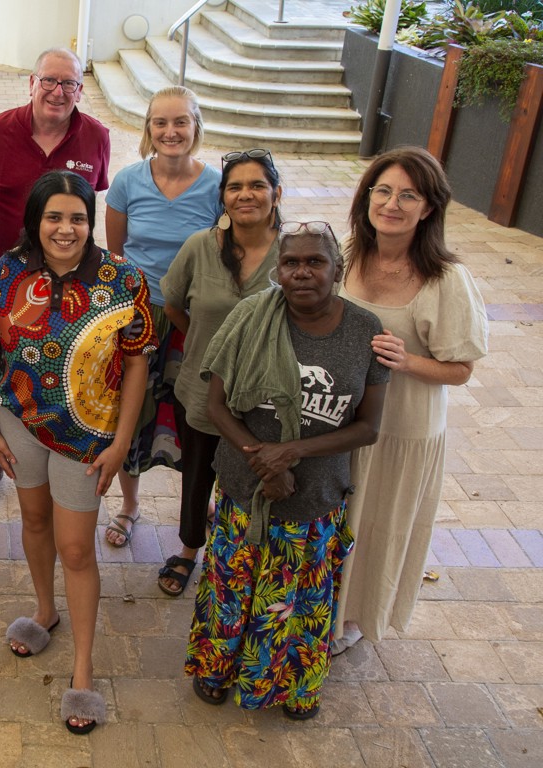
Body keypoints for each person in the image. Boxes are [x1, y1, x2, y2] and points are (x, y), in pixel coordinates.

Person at [185, 220, 388, 720]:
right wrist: (264, 459)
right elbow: (216, 406)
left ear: (337, 270)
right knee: (232, 587)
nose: (302, 272)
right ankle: (217, 669)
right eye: (291, 262)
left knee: (298, 602)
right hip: (243, 485)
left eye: (315, 262)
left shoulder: (365, 331)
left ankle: (294, 686)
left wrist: (291, 452)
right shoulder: (253, 317)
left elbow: (367, 428)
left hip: (315, 496)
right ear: (278, 269)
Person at [0, 171, 156, 734]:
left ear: (92, 220)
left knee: (77, 549)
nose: (66, 229)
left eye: (78, 217)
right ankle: (44, 611)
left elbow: (136, 363)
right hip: (19, 421)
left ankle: (83, 672)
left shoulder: (121, 279)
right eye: (54, 217)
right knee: (33, 521)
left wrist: (123, 443)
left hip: (90, 437)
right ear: (35, 220)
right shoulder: (8, 269)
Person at [333, 147, 488, 653]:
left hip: (402, 431)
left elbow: (461, 369)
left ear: (428, 208)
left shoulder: (446, 279)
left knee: (381, 526)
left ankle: (354, 619)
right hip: (343, 423)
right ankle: (323, 608)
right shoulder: (349, 254)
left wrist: (406, 360)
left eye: (408, 195)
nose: (392, 203)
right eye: (383, 190)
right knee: (339, 520)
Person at [0, 46, 111, 507]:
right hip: (9, 276)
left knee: (51, 362)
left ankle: (53, 449)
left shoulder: (97, 136)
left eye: (68, 83)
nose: (57, 91)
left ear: (81, 90)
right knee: (0, 356)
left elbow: (90, 201)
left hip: (72, 278)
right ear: (31, 83)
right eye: (48, 80)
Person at [157, 148, 284, 597]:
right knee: (197, 475)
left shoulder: (295, 254)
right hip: (201, 388)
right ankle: (190, 547)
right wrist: (210, 350)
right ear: (223, 197)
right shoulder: (200, 247)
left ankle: (243, 550)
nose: (245, 195)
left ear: (276, 194)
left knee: (253, 475)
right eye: (235, 187)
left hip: (268, 398)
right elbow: (173, 304)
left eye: (256, 186)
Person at [104, 86, 223, 548]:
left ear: (196, 127)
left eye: (181, 122)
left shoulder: (216, 187)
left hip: (196, 319)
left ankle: (197, 504)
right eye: (160, 123)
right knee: (132, 415)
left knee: (196, 414)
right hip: (141, 315)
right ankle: (130, 505)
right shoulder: (128, 181)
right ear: (148, 129)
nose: (170, 132)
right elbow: (116, 255)